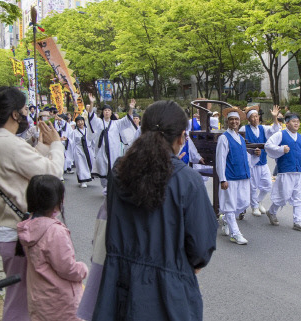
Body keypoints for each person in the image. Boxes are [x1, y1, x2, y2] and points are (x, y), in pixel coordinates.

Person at [92, 100, 217, 320]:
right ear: (181, 137)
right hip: (169, 292)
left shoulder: (119, 173)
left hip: (119, 285)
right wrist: (193, 263)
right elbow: (201, 247)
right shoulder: (188, 181)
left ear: (142, 131)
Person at [0, 86, 64, 321]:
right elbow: (51, 172)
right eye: (24, 108)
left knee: (22, 297)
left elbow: (24, 166)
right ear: (14, 114)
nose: (27, 112)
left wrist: (43, 145)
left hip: (10, 232)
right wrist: (57, 144)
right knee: (21, 302)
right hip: (19, 235)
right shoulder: (8, 143)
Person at [17, 175, 88, 321]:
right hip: (60, 303)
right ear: (56, 202)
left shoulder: (28, 225)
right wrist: (82, 269)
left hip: (40, 300)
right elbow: (67, 268)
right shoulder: (54, 231)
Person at [216, 107, 258, 245]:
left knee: (244, 203)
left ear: (240, 122)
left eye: (236, 119)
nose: (234, 122)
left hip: (243, 177)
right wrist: (223, 179)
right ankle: (235, 234)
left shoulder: (240, 138)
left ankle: (227, 219)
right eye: (231, 119)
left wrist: (255, 155)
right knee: (230, 205)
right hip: (230, 178)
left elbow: (245, 158)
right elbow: (220, 160)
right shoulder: (224, 138)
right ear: (227, 122)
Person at [264, 112, 301, 232]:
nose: (296, 123)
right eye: (293, 121)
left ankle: (297, 221)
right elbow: (268, 145)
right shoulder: (280, 134)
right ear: (286, 123)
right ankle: (272, 211)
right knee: (283, 196)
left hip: (299, 172)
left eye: (298, 121)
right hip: (285, 172)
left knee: (299, 197)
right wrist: (281, 149)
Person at [87, 94, 136, 193]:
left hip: (113, 150)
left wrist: (131, 108)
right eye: (105, 110)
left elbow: (127, 120)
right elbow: (91, 116)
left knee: (113, 167)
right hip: (101, 150)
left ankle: (111, 187)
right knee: (102, 167)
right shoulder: (99, 122)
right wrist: (92, 103)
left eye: (108, 110)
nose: (107, 112)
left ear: (111, 112)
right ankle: (105, 186)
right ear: (102, 112)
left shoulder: (116, 123)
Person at [239, 105, 280, 217]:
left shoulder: (263, 128)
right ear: (248, 119)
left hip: (262, 162)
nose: (255, 119)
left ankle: (258, 201)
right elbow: (240, 144)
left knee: (267, 185)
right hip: (251, 163)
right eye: (252, 117)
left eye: (256, 116)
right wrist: (251, 151)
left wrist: (274, 118)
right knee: (253, 186)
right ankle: (254, 207)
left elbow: (275, 131)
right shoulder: (244, 129)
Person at [70, 116, 94, 188]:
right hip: (79, 150)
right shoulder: (74, 132)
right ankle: (82, 180)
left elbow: (92, 140)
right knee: (81, 165)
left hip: (88, 149)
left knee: (88, 164)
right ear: (76, 123)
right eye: (78, 121)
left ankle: (88, 177)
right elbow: (72, 142)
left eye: (81, 121)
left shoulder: (88, 130)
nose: (80, 123)